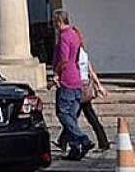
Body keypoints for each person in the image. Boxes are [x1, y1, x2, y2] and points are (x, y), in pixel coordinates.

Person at [51, 10, 93, 160]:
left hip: (67, 79)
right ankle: (74, 150)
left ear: (58, 22)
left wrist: (56, 73)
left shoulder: (63, 37)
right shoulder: (75, 35)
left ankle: (83, 140)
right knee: (71, 116)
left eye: (54, 22)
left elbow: (63, 59)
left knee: (63, 113)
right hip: (76, 79)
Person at [74, 27, 110, 152]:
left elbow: (86, 70)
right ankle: (62, 141)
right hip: (84, 85)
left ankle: (103, 142)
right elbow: (91, 70)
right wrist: (99, 85)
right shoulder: (83, 52)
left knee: (75, 116)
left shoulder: (75, 53)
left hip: (78, 86)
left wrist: (99, 86)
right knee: (77, 115)